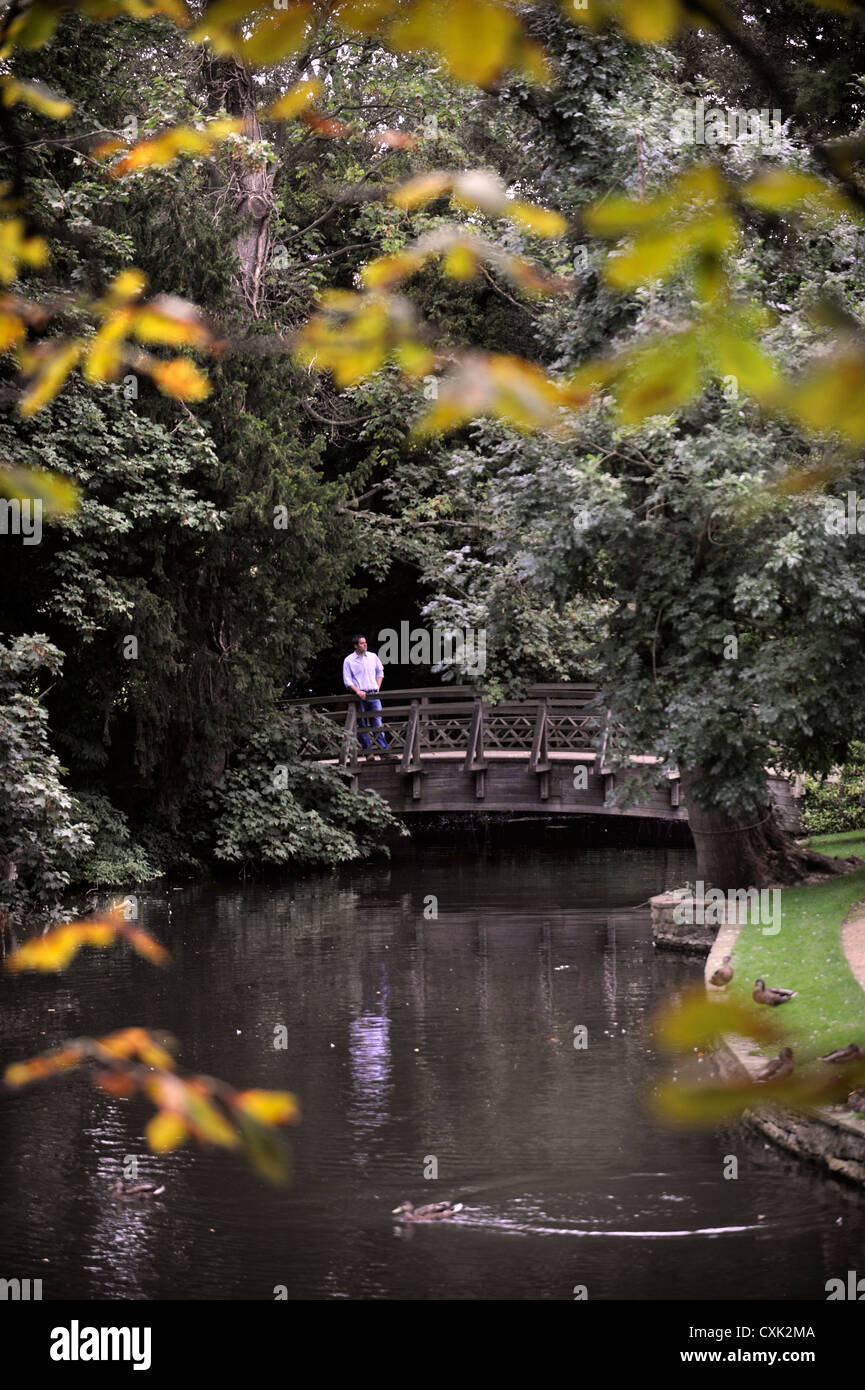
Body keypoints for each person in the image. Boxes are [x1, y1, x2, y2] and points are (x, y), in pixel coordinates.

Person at [342, 634, 390, 759]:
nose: (365, 644)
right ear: (356, 646)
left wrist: (378, 686)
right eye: (362, 643)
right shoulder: (349, 660)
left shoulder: (373, 657)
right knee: (362, 724)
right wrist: (357, 691)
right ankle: (369, 754)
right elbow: (347, 680)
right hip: (359, 695)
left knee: (377, 723)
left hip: (373, 694)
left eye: (365, 642)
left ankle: (384, 753)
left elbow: (380, 671)